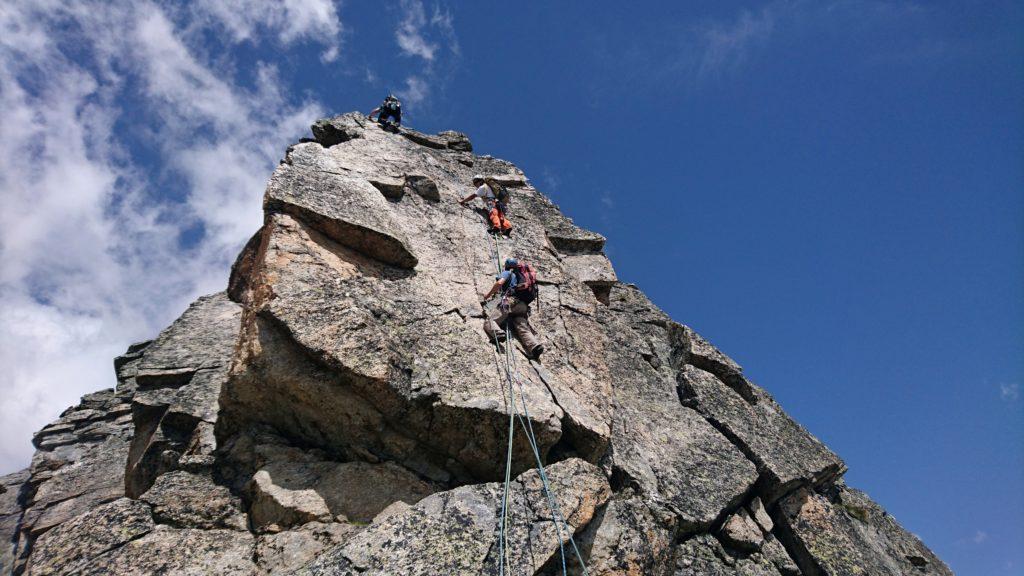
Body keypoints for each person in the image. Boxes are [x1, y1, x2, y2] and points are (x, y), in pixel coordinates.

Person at [482, 258, 544, 360]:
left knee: (490, 321)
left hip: (511, 301)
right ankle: (534, 346)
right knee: (521, 325)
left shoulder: (508, 273)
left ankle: (498, 333)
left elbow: (499, 283)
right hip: (523, 306)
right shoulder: (522, 276)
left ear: (507, 266)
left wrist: (488, 295)